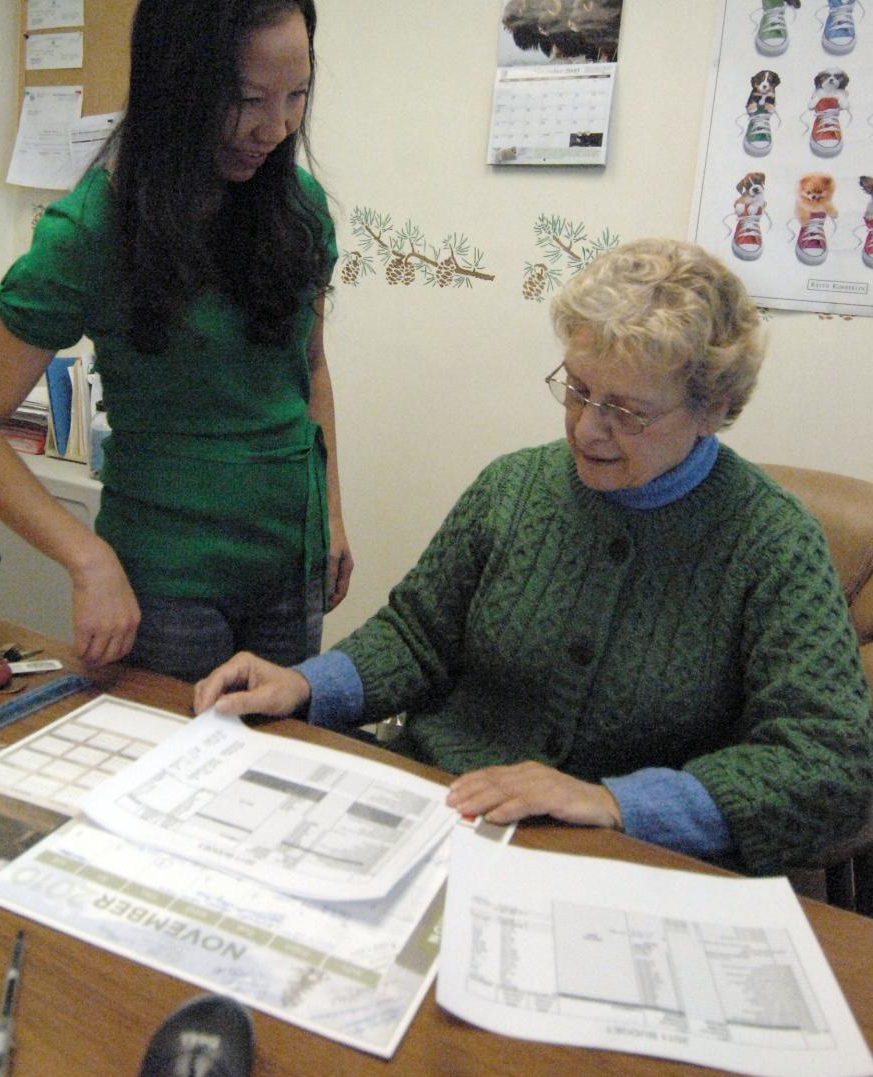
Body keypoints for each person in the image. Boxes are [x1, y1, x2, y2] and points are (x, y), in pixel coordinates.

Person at [194, 238, 873, 876]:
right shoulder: (513, 488)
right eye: (577, 389)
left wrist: (616, 802)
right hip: (445, 812)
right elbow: (417, 634)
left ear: (712, 408)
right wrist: (309, 685)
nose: (586, 428)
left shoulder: (772, 544)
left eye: (626, 411)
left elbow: (831, 764)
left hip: (619, 862)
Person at [0, 0, 352, 680]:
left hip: (290, 576)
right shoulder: (93, 230)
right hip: (164, 589)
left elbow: (310, 371)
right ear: (179, 87)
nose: (277, 128)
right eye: (249, 100)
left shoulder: (299, 208)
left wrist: (332, 517)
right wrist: (86, 556)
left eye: (297, 97)